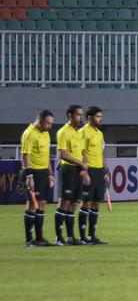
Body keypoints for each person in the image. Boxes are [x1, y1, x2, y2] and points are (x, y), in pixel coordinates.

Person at [20, 110, 55, 247]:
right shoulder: (29, 133)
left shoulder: (45, 133)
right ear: (39, 121)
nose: (50, 126)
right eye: (48, 123)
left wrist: (50, 174)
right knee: (32, 205)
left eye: (51, 123)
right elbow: (25, 156)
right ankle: (29, 240)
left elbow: (46, 156)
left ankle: (39, 238)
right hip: (32, 172)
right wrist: (29, 176)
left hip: (43, 173)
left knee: (42, 205)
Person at [53, 104, 86, 245]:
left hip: (78, 170)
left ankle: (71, 237)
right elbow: (63, 154)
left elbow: (83, 152)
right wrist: (80, 163)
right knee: (64, 202)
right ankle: (59, 237)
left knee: (74, 204)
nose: (80, 117)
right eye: (78, 114)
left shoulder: (78, 132)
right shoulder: (63, 132)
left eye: (81, 114)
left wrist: (83, 166)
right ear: (70, 115)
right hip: (68, 169)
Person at [77, 106, 108, 245]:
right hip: (89, 170)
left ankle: (92, 236)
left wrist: (105, 172)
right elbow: (81, 152)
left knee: (96, 203)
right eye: (98, 116)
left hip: (99, 171)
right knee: (86, 202)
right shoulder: (83, 132)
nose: (100, 119)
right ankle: (83, 237)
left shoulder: (99, 133)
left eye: (101, 116)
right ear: (90, 118)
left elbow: (101, 153)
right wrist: (84, 171)